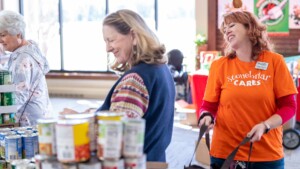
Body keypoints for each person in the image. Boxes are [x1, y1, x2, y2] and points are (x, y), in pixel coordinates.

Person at [199, 10, 297, 169]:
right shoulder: (219, 65)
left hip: (267, 155)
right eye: (225, 29)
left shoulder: (275, 62)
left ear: (249, 28)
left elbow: (289, 107)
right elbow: (208, 106)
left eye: (231, 25)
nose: (227, 31)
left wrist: (265, 125)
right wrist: (205, 117)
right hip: (225, 154)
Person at [97, 9, 175, 162]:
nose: (107, 48)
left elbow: (115, 138)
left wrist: (80, 122)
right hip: (156, 160)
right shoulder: (160, 69)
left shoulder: (134, 80)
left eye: (111, 40)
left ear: (133, 36)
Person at [0, 10, 51, 126]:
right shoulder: (31, 47)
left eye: (3, 35)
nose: (0, 40)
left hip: (27, 121)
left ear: (18, 34)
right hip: (41, 113)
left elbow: (17, 98)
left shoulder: (22, 59)